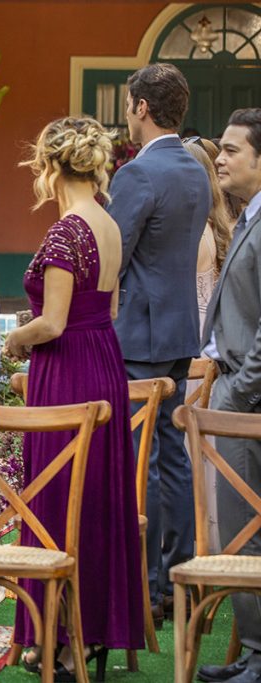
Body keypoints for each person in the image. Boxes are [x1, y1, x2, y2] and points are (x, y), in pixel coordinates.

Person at [4, 116, 144, 677]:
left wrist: (14, 336)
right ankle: (84, 634)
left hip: (67, 371)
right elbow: (105, 311)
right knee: (96, 499)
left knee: (61, 498)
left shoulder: (66, 231)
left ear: (51, 167)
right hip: (103, 361)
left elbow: (54, 323)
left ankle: (65, 638)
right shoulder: (106, 224)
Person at [106, 63, 211, 625]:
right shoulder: (196, 169)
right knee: (172, 456)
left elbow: (111, 254)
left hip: (139, 337)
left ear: (142, 107)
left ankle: (143, 585)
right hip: (178, 332)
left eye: (129, 105)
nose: (128, 114)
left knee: (139, 458)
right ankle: (178, 577)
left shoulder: (136, 175)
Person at [196, 107, 261, 683]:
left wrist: (240, 390)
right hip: (236, 389)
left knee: (249, 527)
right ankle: (252, 652)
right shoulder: (247, 216)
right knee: (243, 526)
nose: (220, 157)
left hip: (250, 399)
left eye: (232, 150)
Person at [183, 135, 234, 554]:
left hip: (191, 340)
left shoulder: (194, 231)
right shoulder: (222, 227)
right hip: (211, 339)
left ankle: (196, 541)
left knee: (188, 444)